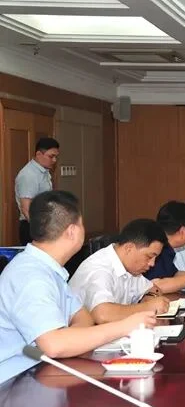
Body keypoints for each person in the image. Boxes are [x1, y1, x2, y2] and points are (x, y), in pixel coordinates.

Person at [0, 191, 155, 383]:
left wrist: (69, 338)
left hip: (43, 374)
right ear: (72, 231)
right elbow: (55, 345)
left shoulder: (49, 269)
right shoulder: (30, 275)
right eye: (82, 224)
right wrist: (125, 326)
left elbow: (84, 318)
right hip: (14, 384)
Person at [69, 219, 171, 323]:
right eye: (149, 256)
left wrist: (150, 298)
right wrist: (147, 307)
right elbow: (102, 315)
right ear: (129, 248)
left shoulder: (130, 268)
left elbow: (153, 289)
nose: (152, 263)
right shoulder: (100, 269)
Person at [143, 201, 185, 292]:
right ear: (182, 232)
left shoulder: (167, 248)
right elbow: (155, 286)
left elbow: (173, 274)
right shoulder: (154, 249)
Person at [14, 138, 60, 245]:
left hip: (44, 224)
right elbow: (26, 209)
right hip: (33, 227)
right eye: (51, 156)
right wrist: (41, 231)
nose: (54, 160)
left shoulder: (44, 171)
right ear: (39, 154)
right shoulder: (29, 175)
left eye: (56, 157)